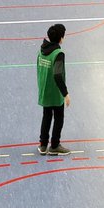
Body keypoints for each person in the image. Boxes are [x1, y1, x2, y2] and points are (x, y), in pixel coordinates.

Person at [36, 23, 72, 156]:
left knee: (46, 116)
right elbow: (57, 75)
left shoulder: (41, 49)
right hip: (55, 92)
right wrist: (65, 93)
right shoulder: (58, 54)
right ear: (61, 38)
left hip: (44, 89)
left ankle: (43, 145)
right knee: (58, 117)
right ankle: (55, 145)